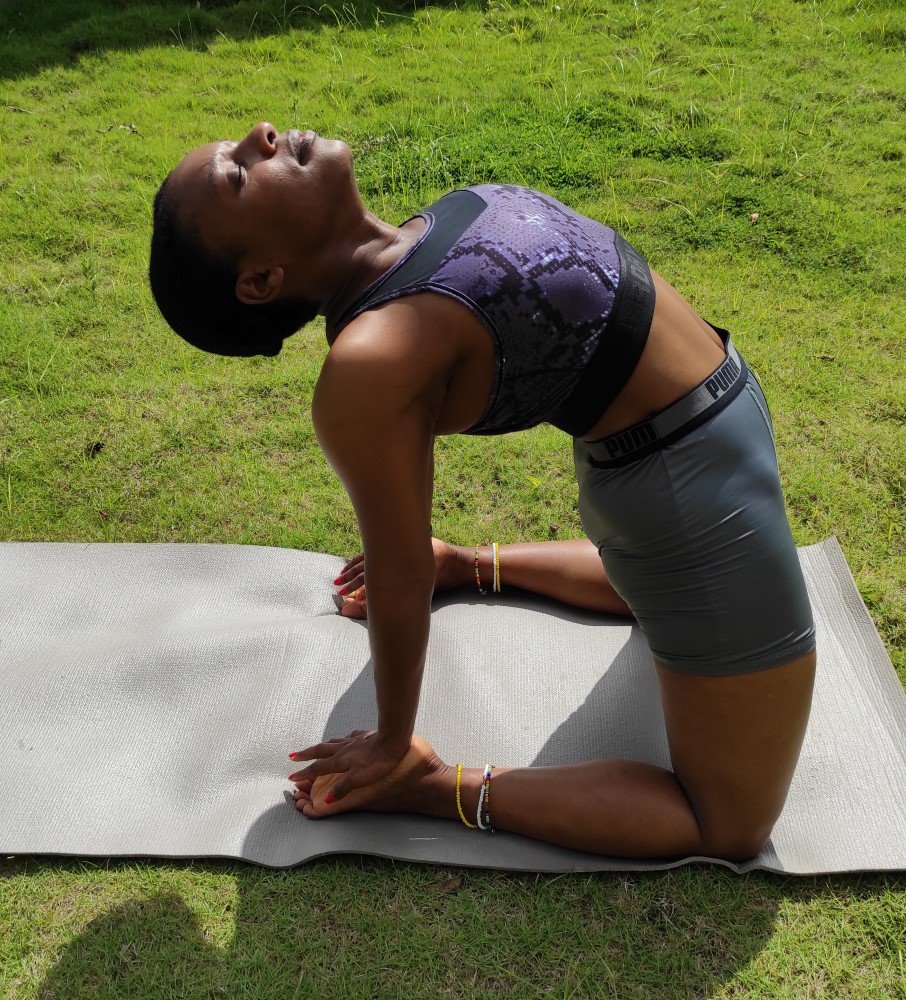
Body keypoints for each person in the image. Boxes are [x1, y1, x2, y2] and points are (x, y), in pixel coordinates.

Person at [149, 122, 816, 861]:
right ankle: (435, 783)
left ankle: (467, 565)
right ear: (261, 280)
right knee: (726, 825)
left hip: (689, 460)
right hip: (688, 497)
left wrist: (439, 565)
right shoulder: (371, 360)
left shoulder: (422, 231)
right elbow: (394, 569)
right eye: (237, 175)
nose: (259, 135)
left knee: (660, 593)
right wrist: (392, 742)